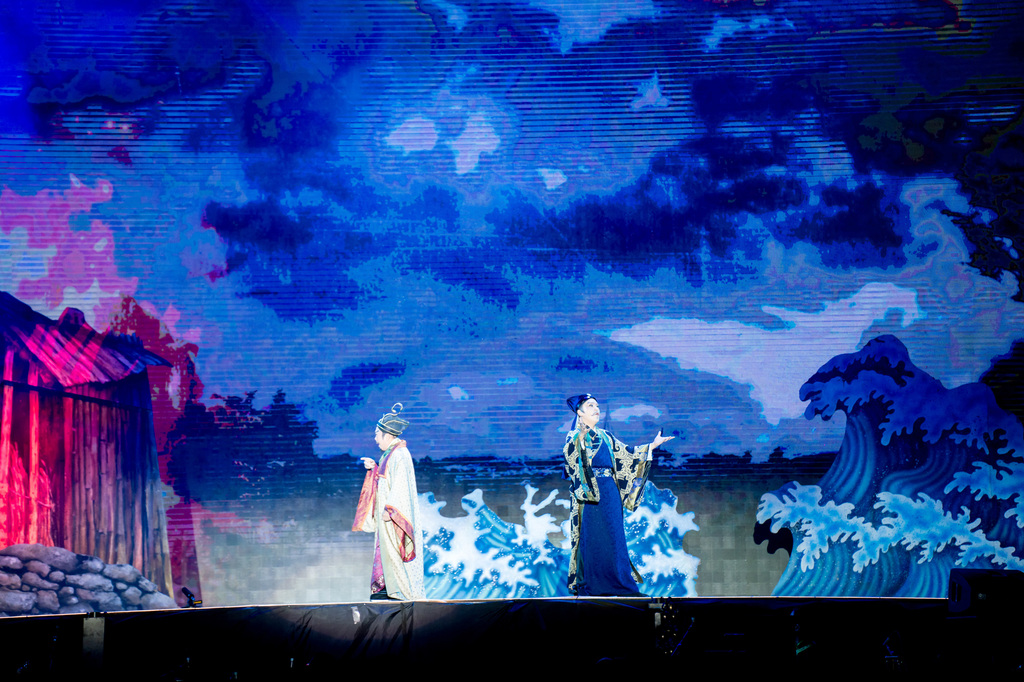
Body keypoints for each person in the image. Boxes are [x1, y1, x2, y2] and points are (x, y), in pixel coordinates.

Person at [563, 394, 674, 596]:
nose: (596, 409)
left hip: (610, 492)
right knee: (594, 538)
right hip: (590, 495)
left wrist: (651, 446)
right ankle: (594, 585)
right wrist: (581, 437)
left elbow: (628, 454)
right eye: (590, 406)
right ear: (579, 412)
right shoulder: (574, 436)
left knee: (615, 537)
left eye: (597, 405)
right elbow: (572, 460)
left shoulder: (606, 436)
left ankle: (621, 584)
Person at [352, 403, 425, 600]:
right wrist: (374, 469)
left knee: (395, 555)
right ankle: (387, 588)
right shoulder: (391, 454)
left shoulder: (400, 454)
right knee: (386, 552)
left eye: (377, 434)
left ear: (388, 435)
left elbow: (400, 485)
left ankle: (403, 594)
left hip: (394, 518)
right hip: (388, 519)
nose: (375, 439)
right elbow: (387, 481)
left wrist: (391, 509)